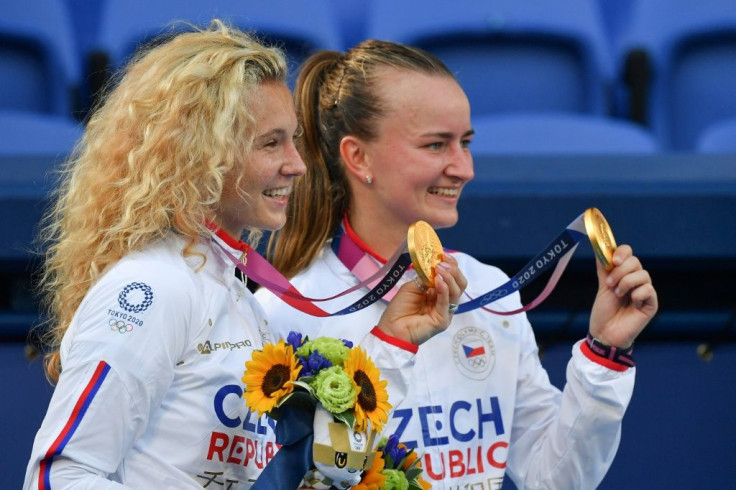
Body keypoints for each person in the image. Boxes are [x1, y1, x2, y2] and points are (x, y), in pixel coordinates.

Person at [23, 23, 465, 489]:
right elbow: (61, 476)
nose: (297, 164)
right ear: (199, 153)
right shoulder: (153, 289)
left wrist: (395, 339)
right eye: (271, 142)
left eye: (294, 140)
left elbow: (312, 468)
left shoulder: (234, 295)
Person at [256, 39, 659, 489]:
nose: (464, 168)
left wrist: (604, 354)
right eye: (436, 145)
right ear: (358, 157)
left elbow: (555, 480)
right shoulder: (286, 312)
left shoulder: (489, 288)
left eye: (465, 143)